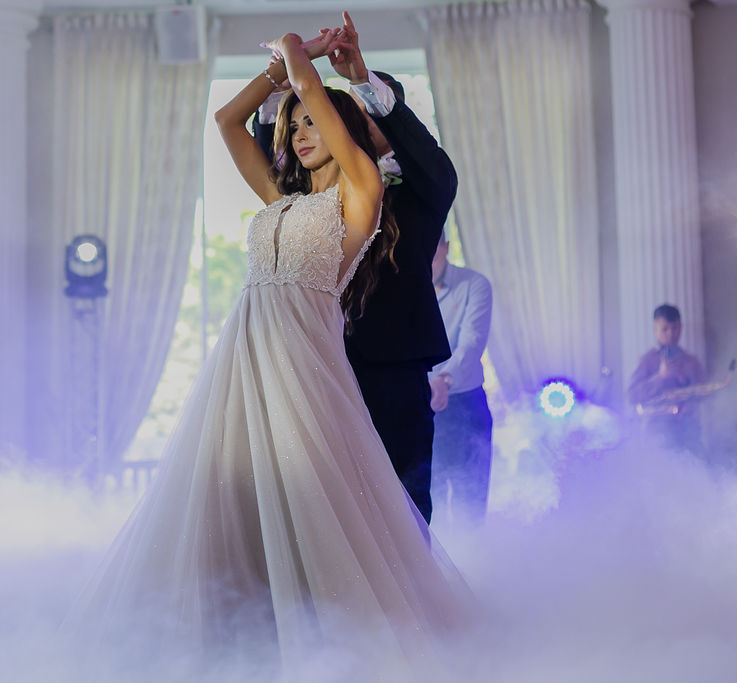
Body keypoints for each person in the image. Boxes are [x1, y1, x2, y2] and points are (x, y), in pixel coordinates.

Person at [66, 28, 473, 678]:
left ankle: (358, 641)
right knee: (236, 494)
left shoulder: (362, 192)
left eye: (314, 123)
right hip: (244, 356)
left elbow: (319, 94)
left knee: (342, 505)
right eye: (295, 125)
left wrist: (298, 50)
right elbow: (227, 121)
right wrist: (276, 81)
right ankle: (239, 636)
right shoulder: (284, 203)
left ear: (348, 130)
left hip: (308, 361)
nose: (299, 132)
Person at [253, 12, 455, 524]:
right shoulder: (313, 194)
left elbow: (422, 153)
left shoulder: (422, 192)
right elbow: (267, 146)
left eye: (363, 111)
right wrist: (284, 70)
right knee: (320, 511)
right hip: (315, 363)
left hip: (391, 367)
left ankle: (407, 602)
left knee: (400, 505)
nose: (347, 121)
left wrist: (361, 79)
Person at [428, 233, 493, 522]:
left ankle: (472, 562)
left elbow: (472, 343)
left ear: (447, 247)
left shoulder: (474, 285)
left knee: (471, 502)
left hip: (466, 404)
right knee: (429, 501)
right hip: (421, 408)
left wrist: (443, 380)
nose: (427, 258)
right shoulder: (402, 288)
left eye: (433, 250)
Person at [627, 304, 705, 452]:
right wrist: (660, 377)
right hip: (656, 434)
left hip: (687, 432)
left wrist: (684, 380)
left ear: (681, 327)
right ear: (655, 329)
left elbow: (703, 394)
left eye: (675, 328)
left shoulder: (691, 362)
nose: (671, 333)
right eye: (665, 329)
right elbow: (632, 395)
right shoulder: (646, 361)